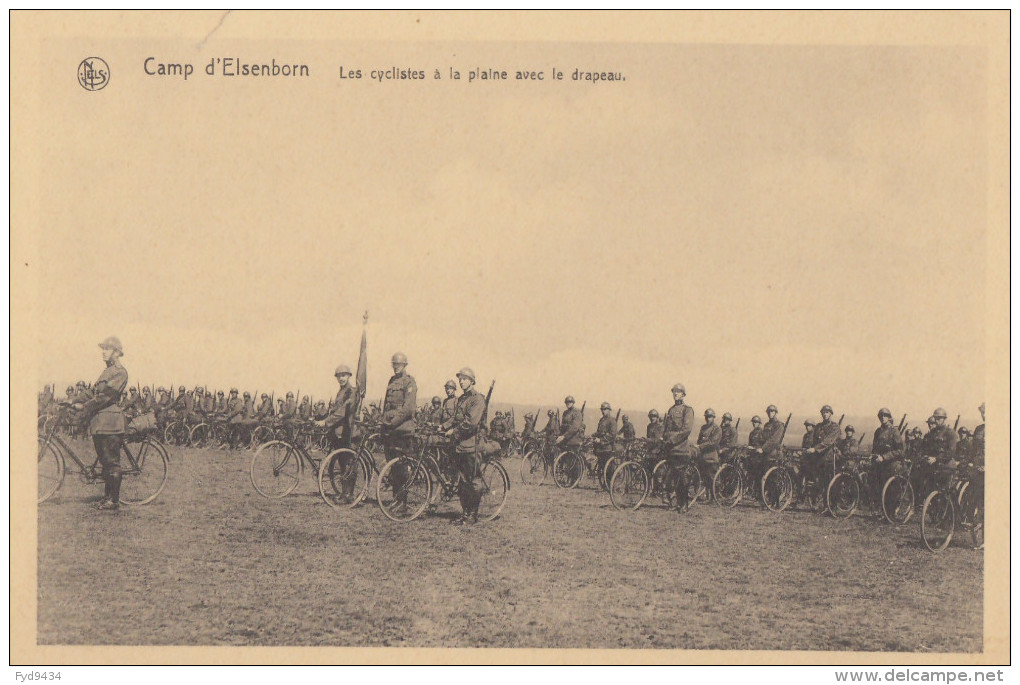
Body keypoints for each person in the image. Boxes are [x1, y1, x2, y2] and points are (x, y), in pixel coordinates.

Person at [72, 337, 128, 511]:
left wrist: (84, 406)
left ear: (117, 352)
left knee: (112, 462)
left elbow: (106, 396)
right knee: (105, 462)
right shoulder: (106, 372)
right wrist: (72, 400)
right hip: (100, 423)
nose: (103, 351)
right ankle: (106, 498)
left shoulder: (120, 372)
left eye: (107, 349)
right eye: (103, 348)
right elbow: (92, 392)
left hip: (111, 422)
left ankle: (114, 500)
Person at [444, 367, 487, 525]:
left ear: (472, 381)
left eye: (464, 378)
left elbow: (471, 423)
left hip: (472, 446)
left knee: (473, 481)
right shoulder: (462, 399)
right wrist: (443, 426)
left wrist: (453, 432)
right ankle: (465, 513)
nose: (461, 381)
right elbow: (455, 418)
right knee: (462, 482)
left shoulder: (477, 399)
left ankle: (472, 515)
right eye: (460, 378)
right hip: (460, 446)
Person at [381, 352, 417, 512]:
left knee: (401, 467)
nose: (396, 367)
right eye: (394, 364)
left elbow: (408, 408)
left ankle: (403, 503)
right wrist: (384, 422)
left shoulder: (409, 382)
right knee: (393, 466)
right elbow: (386, 406)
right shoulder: (391, 381)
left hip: (402, 429)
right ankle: (396, 499)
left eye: (399, 364)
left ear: (405, 365)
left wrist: (393, 422)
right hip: (390, 429)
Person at [317, 365, 357, 450]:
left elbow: (343, 412)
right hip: (337, 429)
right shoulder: (341, 391)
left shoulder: (351, 391)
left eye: (343, 375)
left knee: (344, 459)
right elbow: (336, 410)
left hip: (345, 430)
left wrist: (326, 421)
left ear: (349, 376)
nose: (341, 379)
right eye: (339, 376)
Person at [803, 405, 840, 487]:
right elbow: (812, 439)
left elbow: (828, 441)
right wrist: (807, 448)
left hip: (828, 458)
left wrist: (815, 449)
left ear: (831, 414)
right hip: (818, 458)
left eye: (827, 412)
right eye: (823, 412)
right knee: (816, 482)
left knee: (828, 484)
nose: (825, 414)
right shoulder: (818, 426)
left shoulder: (834, 427)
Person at [871, 407, 905, 495]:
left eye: (885, 415)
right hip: (879, 464)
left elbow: (900, 451)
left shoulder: (894, 432)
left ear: (889, 417)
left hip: (891, 464)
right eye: (881, 416)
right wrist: (874, 455)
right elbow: (875, 448)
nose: (882, 417)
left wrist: (884, 457)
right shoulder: (878, 432)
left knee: (891, 491)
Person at [695, 408, 722, 490]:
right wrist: (699, 445)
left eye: (710, 417)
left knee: (713, 479)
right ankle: (708, 497)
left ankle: (714, 498)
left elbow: (713, 442)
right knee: (704, 478)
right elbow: (699, 440)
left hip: (711, 457)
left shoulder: (717, 429)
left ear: (713, 417)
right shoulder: (703, 427)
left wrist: (701, 446)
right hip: (702, 457)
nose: (708, 418)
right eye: (706, 417)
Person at [592, 402, 617, 474]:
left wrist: (601, 440)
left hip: (608, 447)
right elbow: (599, 432)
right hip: (601, 447)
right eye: (602, 409)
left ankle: (609, 483)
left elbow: (612, 435)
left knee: (608, 469)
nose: (603, 411)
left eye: (605, 409)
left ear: (609, 410)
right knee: (602, 467)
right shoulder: (601, 420)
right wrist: (592, 435)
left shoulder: (612, 420)